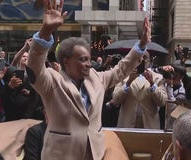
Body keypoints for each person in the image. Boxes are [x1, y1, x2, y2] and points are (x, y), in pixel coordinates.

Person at [26, 0, 151, 159]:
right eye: (82, 59)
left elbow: (122, 69)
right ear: (66, 61)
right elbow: (34, 68)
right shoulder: (52, 82)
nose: (87, 64)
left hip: (94, 153)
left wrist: (141, 45)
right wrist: (45, 32)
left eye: (88, 59)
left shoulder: (97, 78)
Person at [109, 54, 167, 129]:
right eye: (138, 58)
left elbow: (162, 102)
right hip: (127, 125)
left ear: (149, 61)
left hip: (149, 126)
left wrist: (152, 83)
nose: (141, 61)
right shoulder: (124, 75)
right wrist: (128, 83)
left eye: (145, 58)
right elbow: (115, 100)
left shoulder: (158, 78)